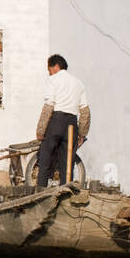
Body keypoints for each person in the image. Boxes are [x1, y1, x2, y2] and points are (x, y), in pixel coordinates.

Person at [35, 54, 90, 185]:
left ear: (55, 67)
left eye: (49, 70)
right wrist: (82, 134)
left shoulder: (53, 80)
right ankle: (66, 192)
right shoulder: (78, 83)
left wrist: (40, 130)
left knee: (45, 158)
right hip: (71, 124)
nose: (49, 73)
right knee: (67, 162)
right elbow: (85, 111)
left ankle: (40, 192)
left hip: (56, 121)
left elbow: (49, 106)